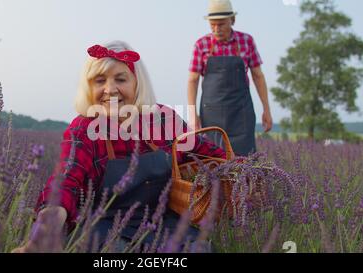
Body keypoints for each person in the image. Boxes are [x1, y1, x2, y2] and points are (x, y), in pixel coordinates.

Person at [12, 41, 227, 253]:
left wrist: (248, 171)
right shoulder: (84, 128)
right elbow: (67, 179)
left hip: (162, 224)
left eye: (120, 79)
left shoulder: (164, 119)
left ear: (136, 83)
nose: (109, 89)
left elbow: (210, 155)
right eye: (99, 80)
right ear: (89, 87)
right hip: (103, 228)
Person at [187, 0, 273, 156]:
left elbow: (258, 76)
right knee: (212, 159)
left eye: (221, 24)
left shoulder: (246, 41)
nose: (216, 29)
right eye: (212, 24)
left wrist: (266, 109)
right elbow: (192, 81)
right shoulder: (202, 44)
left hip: (241, 113)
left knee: (245, 161)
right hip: (211, 114)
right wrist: (192, 115)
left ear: (232, 20)